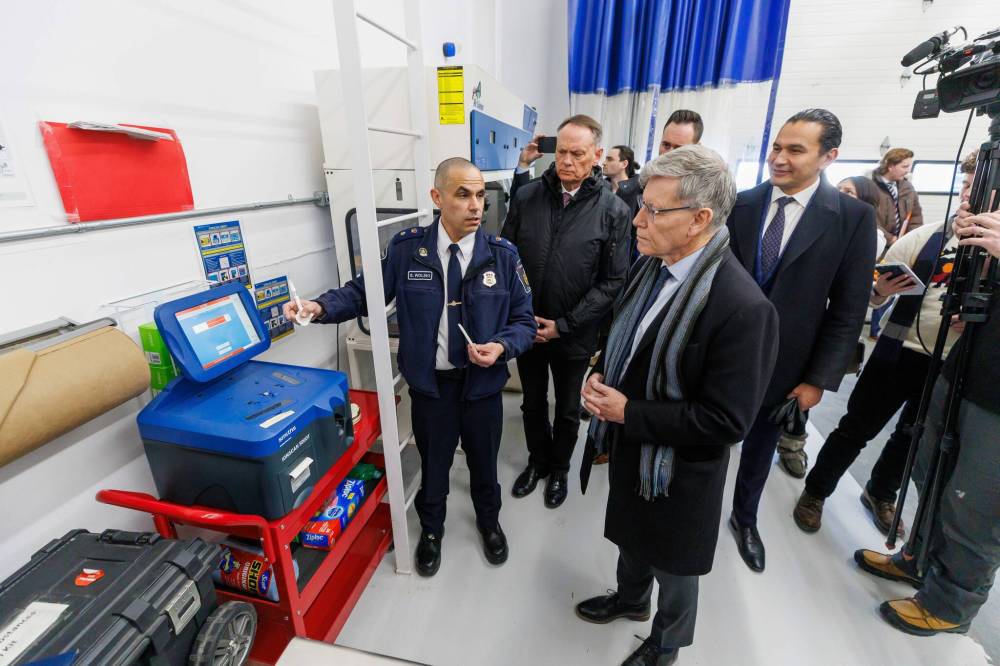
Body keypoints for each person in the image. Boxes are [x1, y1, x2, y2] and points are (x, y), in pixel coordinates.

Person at [574, 145, 779, 666]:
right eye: (641, 204)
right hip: (634, 449)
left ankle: (666, 645)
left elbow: (726, 420)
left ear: (699, 220)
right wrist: (600, 375)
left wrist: (628, 412)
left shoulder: (742, 308)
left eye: (654, 211)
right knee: (630, 538)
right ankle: (630, 600)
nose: (636, 220)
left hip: (680, 471)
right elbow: (630, 339)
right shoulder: (651, 268)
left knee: (677, 567)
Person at [284, 158, 536, 577]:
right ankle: (432, 532)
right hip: (432, 388)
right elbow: (362, 293)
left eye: (479, 195)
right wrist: (319, 306)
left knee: (484, 465)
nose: (475, 205)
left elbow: (525, 322)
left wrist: (502, 346)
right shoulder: (406, 250)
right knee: (434, 466)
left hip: (483, 387)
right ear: (437, 198)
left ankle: (489, 522)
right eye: (462, 194)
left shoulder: (502, 257)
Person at [792, 152, 976, 536]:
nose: (967, 195)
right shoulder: (925, 238)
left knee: (913, 436)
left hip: (952, 364)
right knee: (856, 427)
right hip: (898, 352)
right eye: (966, 185)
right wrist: (878, 290)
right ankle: (816, 490)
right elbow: (867, 292)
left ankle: (881, 493)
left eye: (978, 187)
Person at [726, 109, 877, 572]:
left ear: (828, 156)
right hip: (725, 352)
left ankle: (744, 519)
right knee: (706, 437)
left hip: (789, 362)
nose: (780, 158)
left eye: (796, 150)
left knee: (759, 448)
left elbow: (849, 310)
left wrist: (817, 380)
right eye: (777, 147)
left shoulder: (852, 218)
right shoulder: (743, 203)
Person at [854, 207, 1000, 637]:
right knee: (930, 469)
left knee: (975, 501)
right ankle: (917, 559)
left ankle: (951, 603)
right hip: (966, 366)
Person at [501, 114, 631, 509]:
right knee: (532, 402)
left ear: (596, 155)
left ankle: (560, 469)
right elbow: (507, 256)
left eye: (577, 154)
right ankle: (537, 461)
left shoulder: (613, 211)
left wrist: (565, 325)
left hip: (574, 332)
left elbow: (612, 281)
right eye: (561, 152)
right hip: (527, 328)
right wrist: (520, 317)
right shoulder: (527, 198)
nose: (567, 161)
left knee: (570, 409)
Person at [776, 174, 887, 478]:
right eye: (839, 190)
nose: (840, 196)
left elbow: (849, 295)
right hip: (796, 319)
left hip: (822, 327)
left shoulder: (865, 231)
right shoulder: (820, 218)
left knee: (801, 392)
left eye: (849, 192)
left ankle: (793, 443)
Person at [869, 148, 923, 337]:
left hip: (901, 246)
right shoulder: (871, 185)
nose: (907, 170)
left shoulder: (907, 187)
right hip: (878, 244)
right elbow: (869, 216)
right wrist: (889, 238)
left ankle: (883, 329)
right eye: (904, 166)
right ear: (890, 166)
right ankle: (875, 331)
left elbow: (915, 215)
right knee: (878, 285)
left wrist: (912, 238)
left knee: (894, 284)